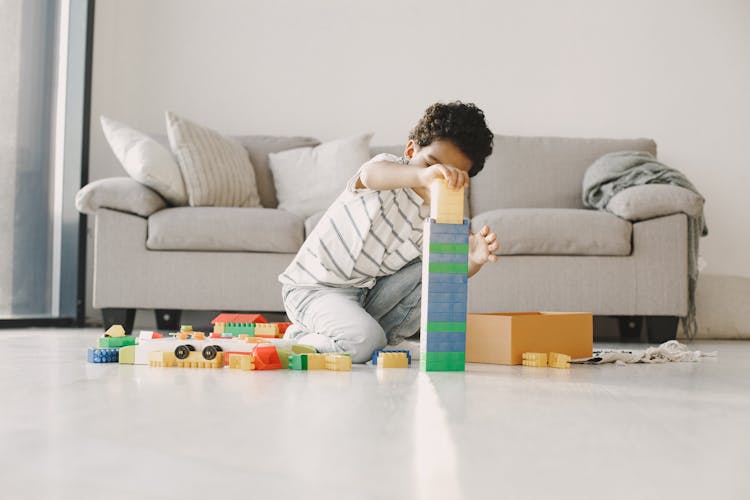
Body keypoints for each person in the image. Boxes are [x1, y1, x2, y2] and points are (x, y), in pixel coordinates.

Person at [279, 101, 498, 363]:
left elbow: (443, 277)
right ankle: (301, 338)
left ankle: (369, 337)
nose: (438, 177)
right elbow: (371, 174)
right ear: (410, 150)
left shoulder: (436, 216)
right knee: (364, 342)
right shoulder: (387, 170)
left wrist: (472, 260)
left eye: (451, 175)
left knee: (436, 266)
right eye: (431, 164)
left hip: (364, 294)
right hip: (313, 289)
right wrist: (422, 176)